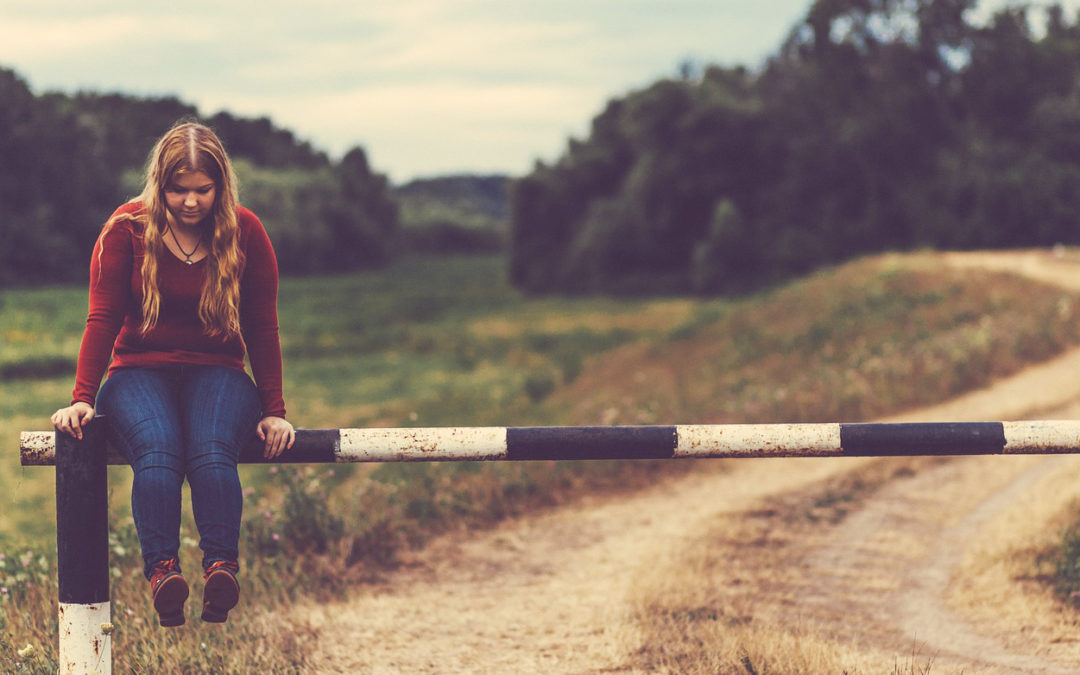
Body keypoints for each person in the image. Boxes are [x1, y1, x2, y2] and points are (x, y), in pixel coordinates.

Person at [51, 121, 295, 628]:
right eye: (178, 190)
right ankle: (164, 575)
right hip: (138, 369)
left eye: (202, 190)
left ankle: (221, 570)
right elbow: (103, 316)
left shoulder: (246, 231)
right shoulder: (125, 229)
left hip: (219, 371)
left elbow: (262, 325)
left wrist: (275, 412)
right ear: (158, 184)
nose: (190, 202)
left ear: (221, 186)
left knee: (210, 450)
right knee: (158, 450)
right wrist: (82, 397)